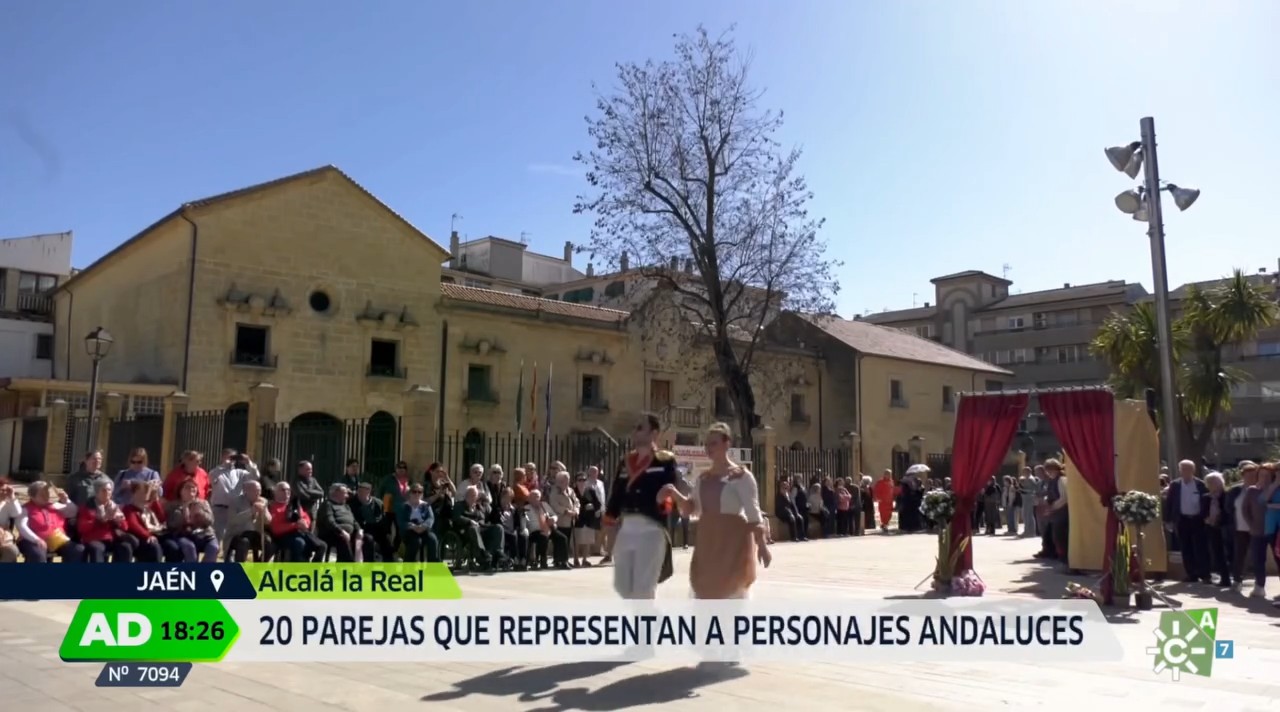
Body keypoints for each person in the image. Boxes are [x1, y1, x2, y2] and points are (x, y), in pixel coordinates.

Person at [668, 422, 771, 599]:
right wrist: (673, 493)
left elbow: (753, 514)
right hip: (708, 544)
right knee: (704, 592)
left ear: (726, 443)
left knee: (731, 593)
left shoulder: (741, 477)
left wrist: (761, 545)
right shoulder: (703, 478)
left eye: (713, 443)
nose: (708, 448)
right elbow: (690, 509)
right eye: (706, 444)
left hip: (733, 544)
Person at [603, 413, 679, 599]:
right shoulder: (625, 462)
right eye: (634, 428)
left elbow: (671, 490)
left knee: (643, 590)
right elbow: (616, 494)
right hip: (626, 528)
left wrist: (664, 502)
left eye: (640, 428)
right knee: (626, 590)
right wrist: (608, 523)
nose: (634, 432)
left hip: (651, 528)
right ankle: (655, 625)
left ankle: (647, 626)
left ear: (654, 433)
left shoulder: (665, 460)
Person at [1163, 459, 1209, 583]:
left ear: (1193, 470)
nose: (1185, 472)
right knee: (1185, 548)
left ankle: (1205, 574)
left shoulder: (1200, 484)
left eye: (1188, 469)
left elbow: (1206, 502)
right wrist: (1168, 520)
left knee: (1201, 547)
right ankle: (1191, 574)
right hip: (1182, 520)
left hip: (1197, 520)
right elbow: (1169, 503)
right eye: (1183, 469)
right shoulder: (1175, 485)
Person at [17, 482, 83, 563]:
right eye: (42, 494)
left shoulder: (54, 505)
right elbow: (21, 526)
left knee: (77, 549)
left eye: (47, 493)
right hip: (32, 541)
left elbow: (74, 511)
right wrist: (36, 539)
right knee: (38, 554)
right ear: (32, 496)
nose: (46, 496)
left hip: (56, 539)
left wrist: (66, 500)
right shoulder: (25, 509)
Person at [268, 481, 326, 562]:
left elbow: (306, 517)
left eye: (288, 490)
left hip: (300, 533)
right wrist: (296, 525)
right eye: (283, 490)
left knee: (322, 546)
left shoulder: (293, 505)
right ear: (275, 492)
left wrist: (305, 522)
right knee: (300, 543)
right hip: (282, 536)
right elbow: (276, 529)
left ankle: (313, 569)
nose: (287, 492)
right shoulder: (272, 506)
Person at [78, 480, 133, 562]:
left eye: (109, 490)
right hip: (95, 538)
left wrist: (117, 521)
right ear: (97, 492)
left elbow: (125, 527)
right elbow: (81, 528)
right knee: (97, 548)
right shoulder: (88, 506)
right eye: (104, 490)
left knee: (125, 547)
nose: (107, 492)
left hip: (112, 538)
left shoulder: (114, 507)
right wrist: (98, 520)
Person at [122, 481, 178, 562]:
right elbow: (133, 524)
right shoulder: (129, 509)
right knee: (155, 548)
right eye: (141, 492)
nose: (145, 494)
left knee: (172, 547)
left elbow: (162, 518)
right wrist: (147, 535)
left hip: (159, 534)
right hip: (143, 538)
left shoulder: (151, 507)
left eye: (146, 491)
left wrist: (155, 500)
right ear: (134, 493)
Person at [167, 479, 219, 562]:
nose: (191, 489)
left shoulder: (203, 503)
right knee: (189, 548)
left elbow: (210, 521)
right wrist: (184, 509)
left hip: (206, 535)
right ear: (180, 491)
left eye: (193, 487)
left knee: (213, 547)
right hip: (184, 535)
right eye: (187, 487)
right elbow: (171, 524)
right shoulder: (173, 505)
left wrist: (200, 513)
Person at [224, 479, 272, 563]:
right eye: (255, 490)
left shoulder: (263, 501)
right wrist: (251, 511)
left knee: (269, 544)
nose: (258, 493)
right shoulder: (235, 501)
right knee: (244, 543)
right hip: (237, 534)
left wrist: (263, 511)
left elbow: (268, 521)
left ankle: (259, 566)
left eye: (259, 490)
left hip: (255, 533)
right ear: (246, 491)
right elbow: (233, 520)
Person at [1036, 459, 1070, 563]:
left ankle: (1064, 559)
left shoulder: (1061, 480)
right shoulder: (1051, 481)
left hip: (1062, 511)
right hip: (1055, 512)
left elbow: (1064, 497)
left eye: (1050, 470)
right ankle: (1056, 555)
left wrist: (1053, 507)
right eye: (1047, 470)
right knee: (1053, 535)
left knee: (1060, 536)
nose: (1048, 473)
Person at [1203, 472, 1233, 588]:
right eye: (1210, 483)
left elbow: (1229, 512)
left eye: (1215, 482)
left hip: (1225, 527)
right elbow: (1202, 512)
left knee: (1229, 553)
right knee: (1217, 554)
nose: (1212, 485)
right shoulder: (1206, 497)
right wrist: (1206, 518)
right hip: (1211, 528)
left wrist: (1219, 519)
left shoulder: (1226, 495)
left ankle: (1231, 578)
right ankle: (1224, 579)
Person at [350, 481, 391, 562]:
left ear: (369, 491)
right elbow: (352, 519)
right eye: (359, 490)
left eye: (363, 490)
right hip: (361, 529)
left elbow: (383, 518)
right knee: (369, 540)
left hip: (376, 528)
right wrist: (358, 528)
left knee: (386, 542)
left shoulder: (378, 503)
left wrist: (386, 531)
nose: (360, 492)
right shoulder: (352, 502)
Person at [574, 471, 602, 566]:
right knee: (577, 540)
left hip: (589, 519)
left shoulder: (590, 491)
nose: (582, 482)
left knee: (587, 540)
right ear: (576, 481)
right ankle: (576, 559)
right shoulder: (572, 491)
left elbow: (598, 504)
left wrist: (592, 506)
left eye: (584, 480)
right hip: (578, 519)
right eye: (580, 480)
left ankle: (585, 559)